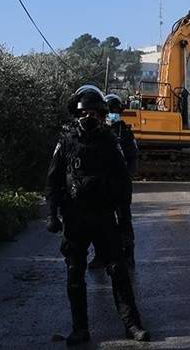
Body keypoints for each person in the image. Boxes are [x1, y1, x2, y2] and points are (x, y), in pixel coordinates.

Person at [46, 85, 149, 344]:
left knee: (118, 272)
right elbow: (53, 180)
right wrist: (52, 214)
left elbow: (123, 184)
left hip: (104, 217)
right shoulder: (66, 142)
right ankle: (80, 329)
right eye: (84, 114)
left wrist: (124, 222)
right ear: (76, 115)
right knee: (75, 275)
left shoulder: (110, 143)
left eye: (93, 113)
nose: (88, 118)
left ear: (102, 116)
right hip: (75, 219)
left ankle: (132, 325)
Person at [89, 93, 139, 269]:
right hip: (101, 185)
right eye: (110, 110)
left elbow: (132, 158)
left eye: (116, 111)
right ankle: (100, 255)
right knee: (99, 221)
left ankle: (128, 255)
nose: (113, 114)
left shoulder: (125, 133)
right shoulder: (96, 131)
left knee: (124, 219)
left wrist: (127, 179)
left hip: (120, 185)